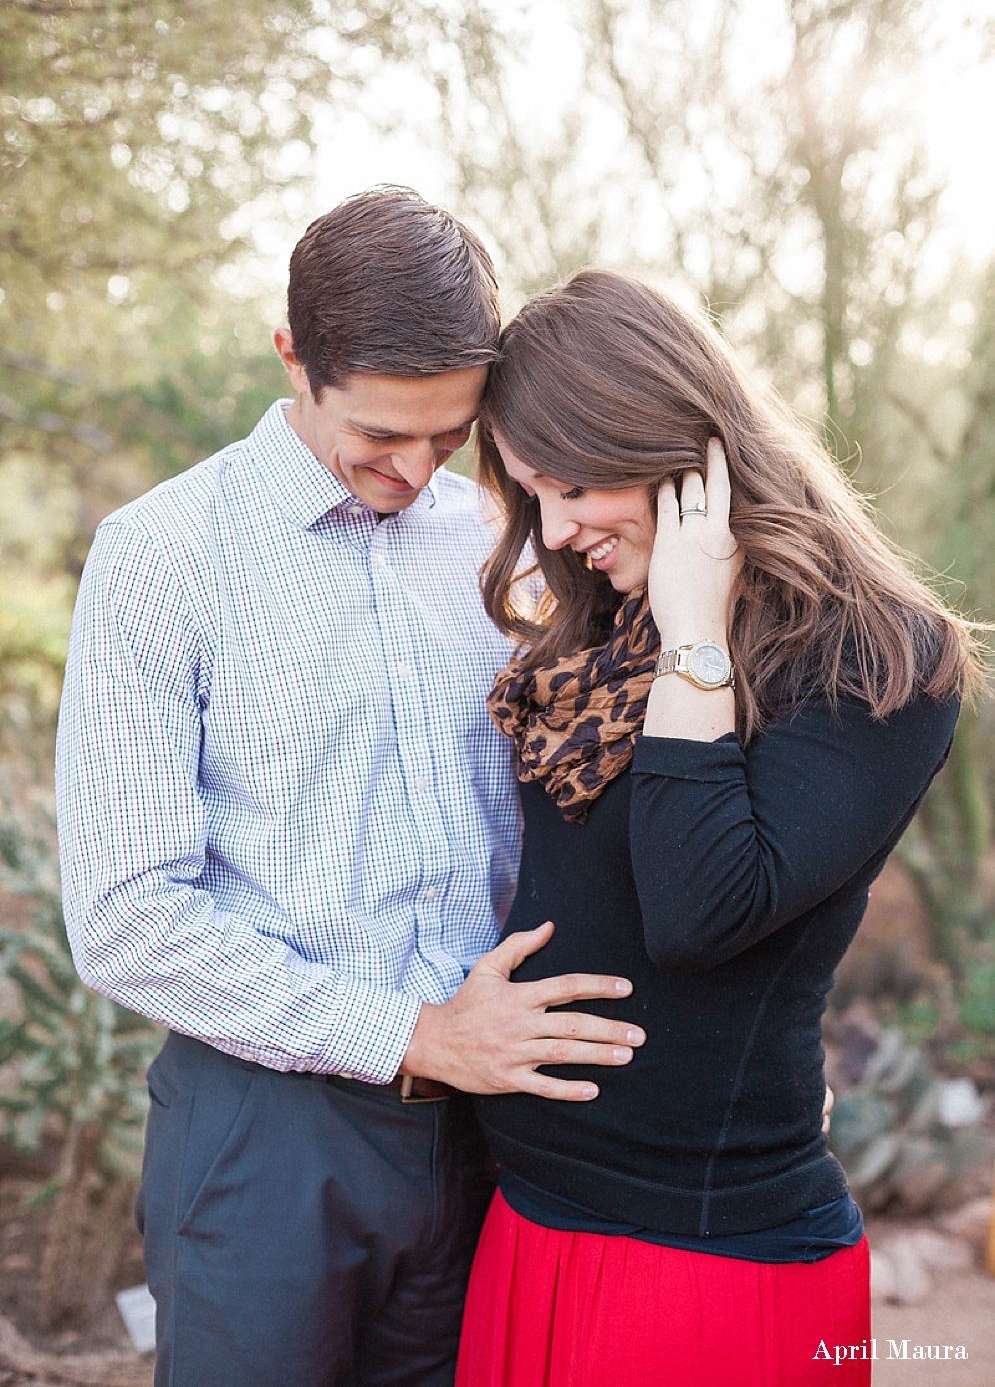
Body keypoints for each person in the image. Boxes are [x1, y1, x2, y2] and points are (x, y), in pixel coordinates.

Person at [55, 191, 647, 1387]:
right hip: (268, 1138)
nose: (415, 468)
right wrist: (413, 1034)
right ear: (292, 357)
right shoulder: (161, 557)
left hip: (497, 1138)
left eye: (448, 433)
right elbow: (124, 917)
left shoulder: (498, 537)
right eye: (380, 434)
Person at [455, 269, 978, 1387]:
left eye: (569, 487)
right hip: (529, 1223)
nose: (553, 530)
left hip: (698, 1263)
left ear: (667, 441)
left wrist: (694, 633)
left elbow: (699, 913)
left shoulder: (874, 660)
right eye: (529, 496)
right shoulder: (598, 624)